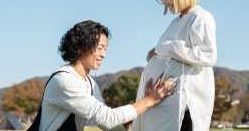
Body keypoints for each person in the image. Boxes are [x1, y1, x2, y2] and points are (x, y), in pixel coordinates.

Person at [39, 20, 177, 131]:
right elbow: (107, 118)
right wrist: (148, 100)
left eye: (105, 49)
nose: (103, 55)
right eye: (99, 48)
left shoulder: (90, 84)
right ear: (80, 48)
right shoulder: (64, 80)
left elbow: (109, 125)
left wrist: (147, 104)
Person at [131, 0, 217, 131]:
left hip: (182, 107)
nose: (164, 2)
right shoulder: (177, 21)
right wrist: (155, 54)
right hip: (165, 106)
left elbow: (207, 55)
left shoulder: (200, 17)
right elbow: (170, 51)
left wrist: (164, 48)